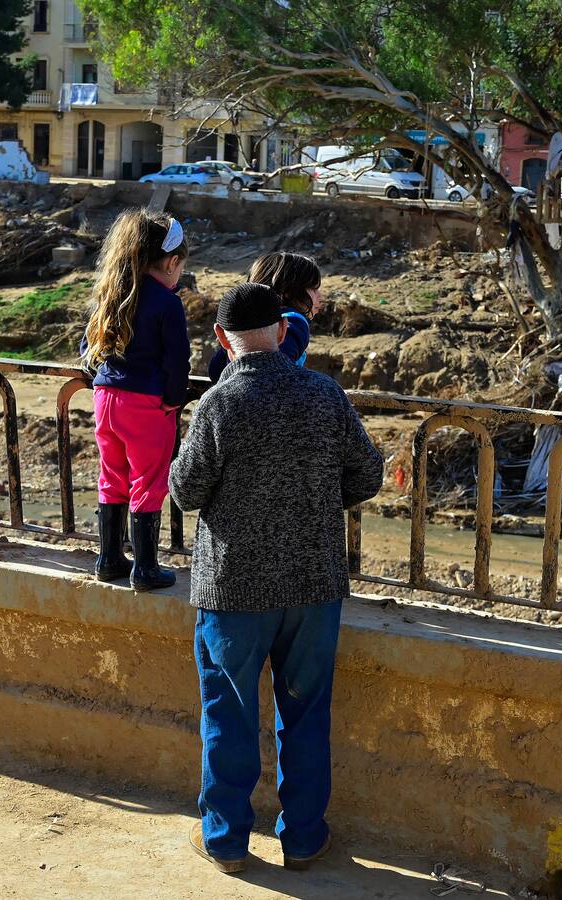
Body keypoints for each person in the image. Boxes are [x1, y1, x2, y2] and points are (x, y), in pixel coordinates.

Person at [169, 282, 383, 875]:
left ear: (221, 340)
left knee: (228, 715)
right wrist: (315, 501)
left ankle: (227, 842)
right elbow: (366, 474)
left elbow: (184, 493)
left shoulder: (218, 405)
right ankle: (304, 839)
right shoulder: (323, 394)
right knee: (307, 715)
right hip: (314, 587)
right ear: (283, 332)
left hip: (234, 591)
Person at [80, 209, 190, 591]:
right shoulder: (167, 303)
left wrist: (103, 382)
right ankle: (145, 568)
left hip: (105, 398)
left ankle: (108, 558)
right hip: (146, 404)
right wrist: (173, 401)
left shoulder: (111, 293)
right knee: (148, 480)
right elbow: (178, 360)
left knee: (112, 477)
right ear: (172, 262)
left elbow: (86, 348)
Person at [207, 252, 321, 382]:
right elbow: (275, 369)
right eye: (314, 289)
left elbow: (215, 370)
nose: (320, 296)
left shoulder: (242, 319)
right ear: (289, 291)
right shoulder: (294, 320)